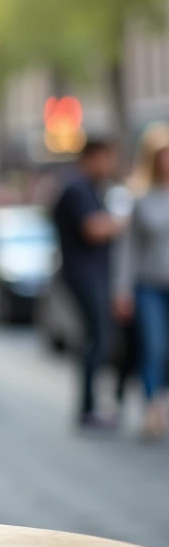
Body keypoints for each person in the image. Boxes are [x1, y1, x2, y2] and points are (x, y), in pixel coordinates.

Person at [52, 138, 123, 429]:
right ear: (92, 157)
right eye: (106, 158)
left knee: (97, 338)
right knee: (97, 338)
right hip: (85, 275)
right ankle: (88, 407)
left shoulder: (87, 188)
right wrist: (122, 222)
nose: (110, 165)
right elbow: (93, 229)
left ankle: (91, 405)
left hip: (89, 274)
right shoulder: (78, 188)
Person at [113, 128, 169, 438]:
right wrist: (121, 291)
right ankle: (153, 408)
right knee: (153, 347)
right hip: (149, 286)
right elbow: (128, 251)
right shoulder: (140, 197)